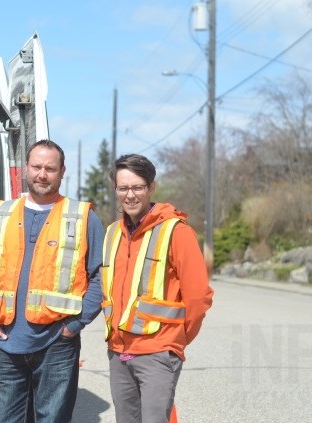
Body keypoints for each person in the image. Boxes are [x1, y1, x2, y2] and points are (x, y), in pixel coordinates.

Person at [0, 139, 104, 423]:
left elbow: (101, 275)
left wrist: (75, 326)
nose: (42, 174)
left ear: (62, 171)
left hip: (57, 343)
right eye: (37, 166)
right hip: (5, 344)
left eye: (50, 168)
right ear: (26, 169)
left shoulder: (82, 217)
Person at [102, 154, 214, 423]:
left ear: (151, 187)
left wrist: (173, 344)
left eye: (138, 187)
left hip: (157, 353)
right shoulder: (112, 233)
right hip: (118, 353)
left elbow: (199, 297)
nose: (130, 195)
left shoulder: (176, 231)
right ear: (116, 190)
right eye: (123, 188)